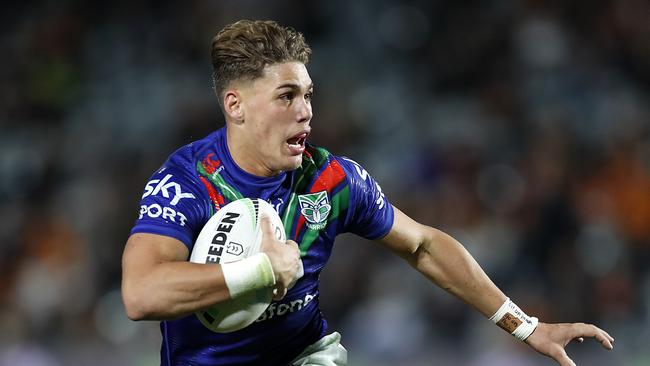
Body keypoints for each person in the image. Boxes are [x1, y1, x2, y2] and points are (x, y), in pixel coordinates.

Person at [121, 19, 614, 366]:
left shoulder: (331, 179)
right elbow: (141, 294)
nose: (305, 111)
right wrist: (261, 271)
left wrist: (526, 326)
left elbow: (423, 245)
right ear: (236, 106)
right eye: (286, 96)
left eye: (308, 94)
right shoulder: (188, 180)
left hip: (305, 357)